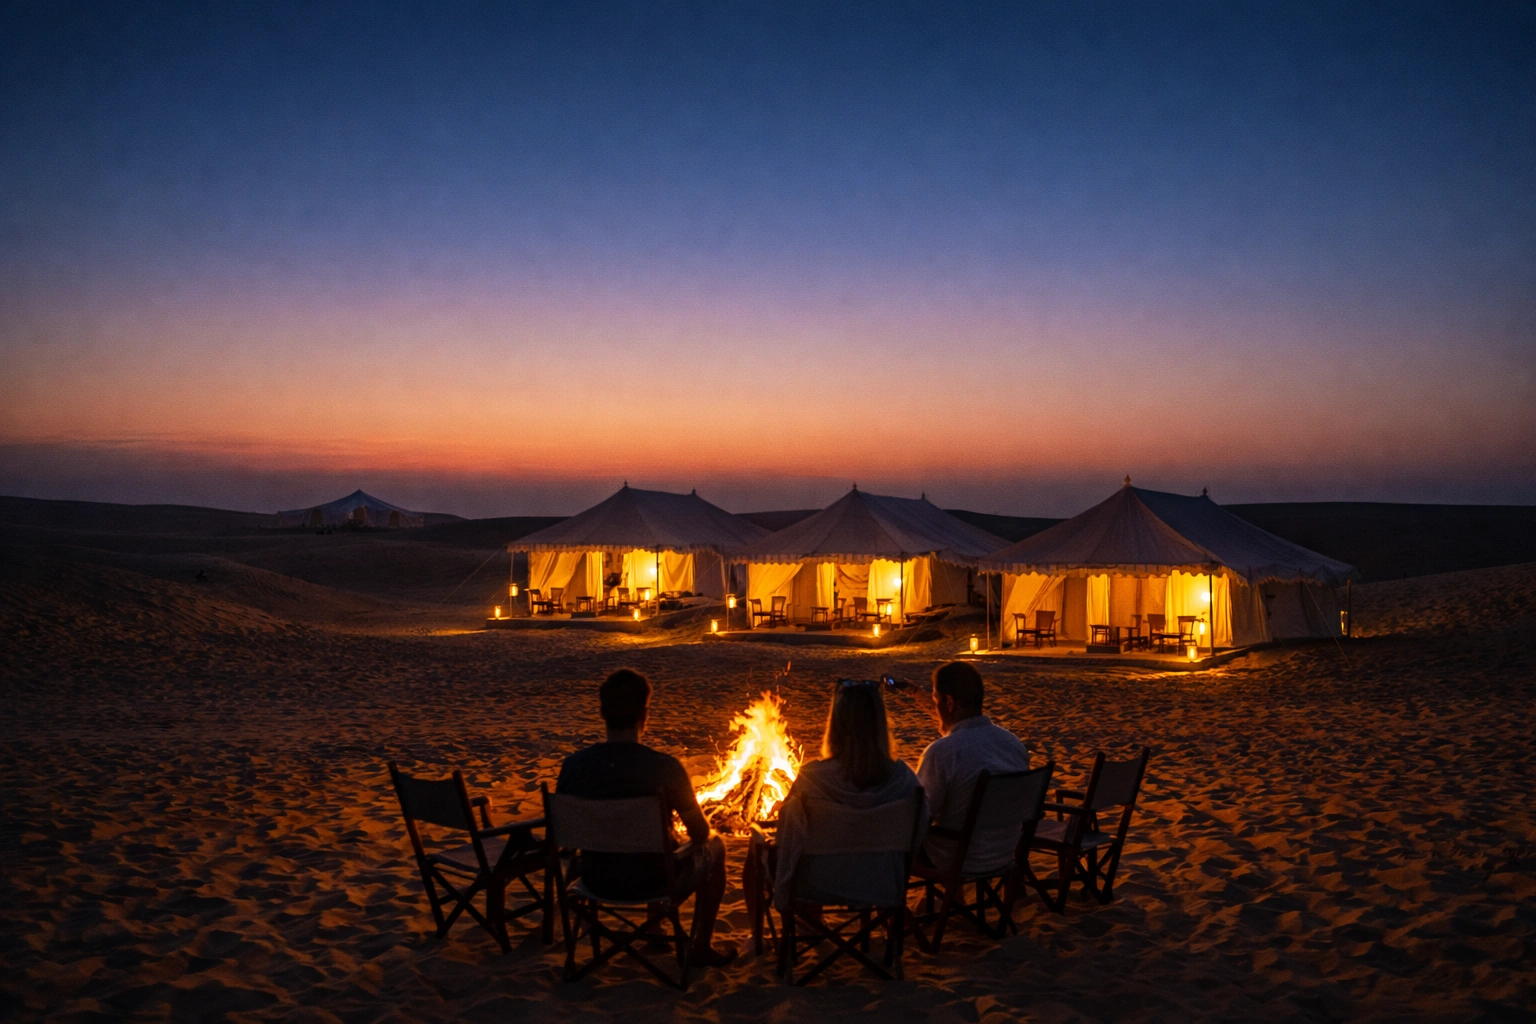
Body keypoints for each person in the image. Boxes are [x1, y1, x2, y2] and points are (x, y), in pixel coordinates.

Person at [555, 668, 736, 967]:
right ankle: (700, 946)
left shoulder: (574, 767)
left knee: (660, 844)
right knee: (714, 848)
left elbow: (563, 837)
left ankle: (654, 929)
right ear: (644, 715)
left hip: (594, 879)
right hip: (654, 881)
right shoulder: (665, 768)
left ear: (603, 712)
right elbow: (701, 834)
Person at [773, 680, 927, 910]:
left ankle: (801, 932)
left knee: (758, 859)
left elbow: (789, 837)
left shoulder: (811, 779)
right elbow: (920, 831)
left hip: (818, 885)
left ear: (835, 724)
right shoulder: (904, 779)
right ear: (881, 724)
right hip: (882, 884)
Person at [916, 661, 1031, 873]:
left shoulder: (943, 752)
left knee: (891, 844)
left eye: (935, 701)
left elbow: (918, 817)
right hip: (1004, 854)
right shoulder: (1013, 743)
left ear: (949, 702)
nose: (936, 709)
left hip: (956, 858)